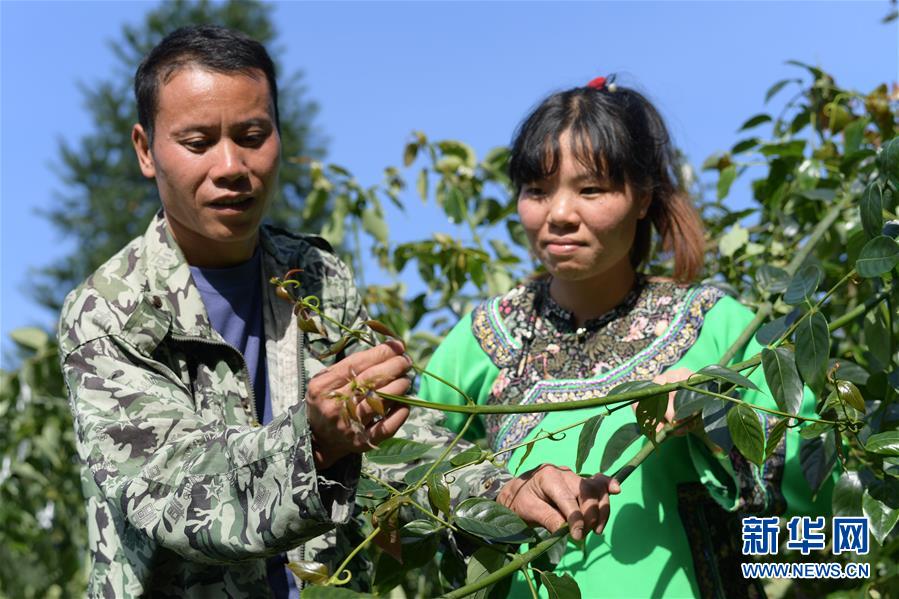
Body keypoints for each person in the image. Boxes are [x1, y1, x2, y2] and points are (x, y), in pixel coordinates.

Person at [57, 26, 618, 598]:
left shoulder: (313, 275)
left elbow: (403, 438)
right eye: (198, 142)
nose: (231, 165)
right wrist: (318, 442)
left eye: (253, 135)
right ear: (146, 151)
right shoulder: (110, 312)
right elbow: (171, 500)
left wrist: (499, 492)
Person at [421, 76, 833, 598]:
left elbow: (835, 539)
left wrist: (717, 423)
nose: (560, 215)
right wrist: (496, 492)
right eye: (536, 191)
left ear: (642, 198)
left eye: (590, 189)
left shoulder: (719, 326)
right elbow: (399, 470)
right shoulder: (483, 337)